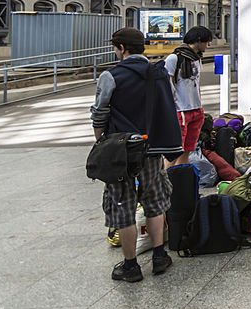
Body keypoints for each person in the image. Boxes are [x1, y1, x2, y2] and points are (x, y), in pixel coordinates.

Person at [91, 28, 182, 282]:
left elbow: (100, 112)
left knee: (123, 206)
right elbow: (170, 105)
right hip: (151, 149)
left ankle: (130, 266)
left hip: (120, 151)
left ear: (121, 48)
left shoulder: (111, 75)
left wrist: (100, 141)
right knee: (154, 201)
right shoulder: (159, 73)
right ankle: (159, 256)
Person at [164, 26, 213, 166]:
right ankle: (168, 182)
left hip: (196, 109)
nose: (208, 45)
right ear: (198, 40)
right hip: (180, 110)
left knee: (188, 149)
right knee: (174, 151)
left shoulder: (197, 59)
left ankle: (180, 178)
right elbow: (167, 85)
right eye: (206, 42)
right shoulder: (174, 59)